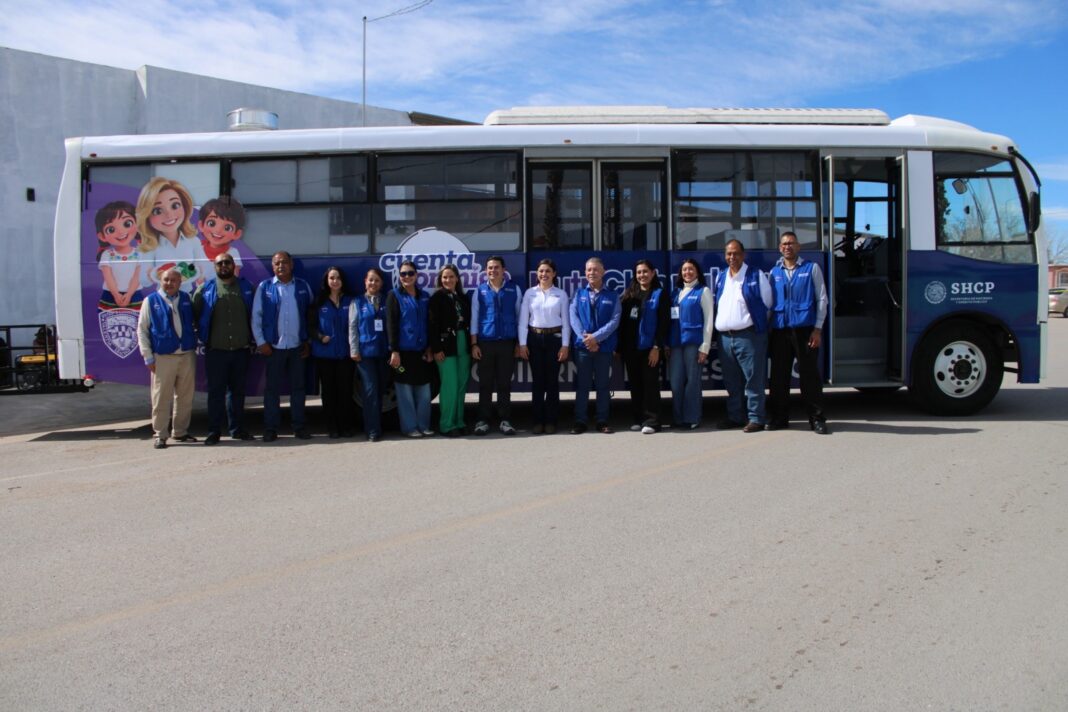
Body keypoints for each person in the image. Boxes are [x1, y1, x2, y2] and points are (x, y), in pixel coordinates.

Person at [766, 231, 830, 434]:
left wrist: (817, 330)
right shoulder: (774, 272)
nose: (788, 247)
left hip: (805, 331)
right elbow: (769, 304)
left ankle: (817, 419)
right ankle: (779, 418)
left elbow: (822, 299)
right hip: (780, 331)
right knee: (778, 378)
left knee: (809, 377)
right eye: (784, 244)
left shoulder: (811, 268)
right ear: (779, 248)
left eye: (791, 243)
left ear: (798, 246)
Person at [192, 252, 255, 445]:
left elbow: (256, 314)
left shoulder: (246, 287)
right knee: (216, 393)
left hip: (241, 350)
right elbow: (195, 316)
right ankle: (214, 431)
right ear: (215, 267)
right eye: (220, 263)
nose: (224, 266)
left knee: (237, 393)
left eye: (227, 262)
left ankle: (237, 429)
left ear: (234, 265)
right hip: (216, 351)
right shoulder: (205, 289)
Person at [252, 251, 314, 442]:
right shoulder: (265, 287)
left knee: (298, 389)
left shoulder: (303, 286)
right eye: (277, 263)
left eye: (284, 262)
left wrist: (308, 341)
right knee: (272, 390)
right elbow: (256, 317)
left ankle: (299, 427)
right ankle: (271, 428)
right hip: (274, 348)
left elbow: (311, 317)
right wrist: (261, 342)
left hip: (297, 347)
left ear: (291, 264)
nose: (281, 266)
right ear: (273, 267)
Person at [714, 239, 774, 433]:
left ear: (743, 254)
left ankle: (756, 418)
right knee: (732, 382)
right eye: (729, 254)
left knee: (753, 380)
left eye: (736, 253)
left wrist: (755, 329)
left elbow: (767, 305)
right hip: (725, 338)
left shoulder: (755, 275)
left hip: (749, 336)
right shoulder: (721, 277)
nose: (732, 257)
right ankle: (736, 417)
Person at [137, 268, 197, 449]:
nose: (169, 283)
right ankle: (160, 434)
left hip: (186, 355)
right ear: (160, 281)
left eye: (173, 280)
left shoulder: (186, 298)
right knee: (161, 398)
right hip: (163, 356)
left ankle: (180, 432)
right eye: (166, 280)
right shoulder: (151, 301)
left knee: (185, 397)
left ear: (180, 282)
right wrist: (148, 356)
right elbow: (142, 330)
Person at [470, 256, 523, 436]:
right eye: (490, 268)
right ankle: (483, 420)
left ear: (504, 270)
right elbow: (474, 318)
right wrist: (474, 344)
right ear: (486, 270)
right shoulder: (480, 291)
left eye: (496, 267)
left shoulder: (514, 289)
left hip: (507, 344)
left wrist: (519, 343)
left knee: (504, 384)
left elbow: (519, 318)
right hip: (485, 343)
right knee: (485, 384)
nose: (493, 270)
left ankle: (505, 420)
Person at [569, 257, 621, 434]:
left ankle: (602, 421)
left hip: (603, 348)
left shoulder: (612, 295)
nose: (592, 273)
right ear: (585, 273)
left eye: (596, 269)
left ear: (603, 272)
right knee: (582, 386)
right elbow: (573, 318)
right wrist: (586, 339)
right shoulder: (578, 294)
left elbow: (614, 321)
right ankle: (580, 421)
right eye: (589, 270)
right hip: (583, 348)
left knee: (602, 386)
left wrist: (596, 339)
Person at [517, 258, 570, 434]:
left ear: (554, 274)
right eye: (541, 271)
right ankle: (538, 421)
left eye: (547, 271)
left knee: (552, 382)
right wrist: (522, 344)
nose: (544, 274)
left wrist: (565, 345)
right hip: (534, 339)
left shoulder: (561, 294)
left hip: (555, 339)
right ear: (537, 274)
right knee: (538, 382)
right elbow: (523, 321)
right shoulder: (529, 293)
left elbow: (566, 323)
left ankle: (551, 421)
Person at [619, 259, 669, 434]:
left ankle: (653, 421)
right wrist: (620, 348)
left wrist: (656, 347)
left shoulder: (660, 294)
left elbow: (663, 323)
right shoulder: (629, 295)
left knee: (650, 385)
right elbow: (623, 324)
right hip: (631, 349)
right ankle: (639, 419)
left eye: (645, 271)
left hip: (650, 349)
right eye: (639, 272)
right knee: (636, 384)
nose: (642, 275)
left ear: (653, 273)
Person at [386, 260, 434, 438]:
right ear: (399, 276)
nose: (407, 276)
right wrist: (394, 350)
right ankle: (410, 427)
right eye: (403, 274)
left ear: (416, 275)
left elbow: (430, 323)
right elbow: (391, 324)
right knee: (404, 391)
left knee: (424, 391)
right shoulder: (394, 295)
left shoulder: (424, 296)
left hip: (421, 353)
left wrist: (430, 347)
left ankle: (423, 426)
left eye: (410, 273)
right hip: (402, 354)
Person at [135, 177, 207, 293]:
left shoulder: (193, 241)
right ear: (147, 216)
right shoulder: (150, 246)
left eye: (175, 205)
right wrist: (151, 274)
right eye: (158, 211)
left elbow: (203, 269)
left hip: (187, 296)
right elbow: (144, 281)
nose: (169, 215)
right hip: (162, 297)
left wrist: (199, 273)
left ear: (185, 206)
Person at [667, 258, 715, 430]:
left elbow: (709, 320)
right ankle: (678, 418)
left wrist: (705, 346)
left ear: (697, 272)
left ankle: (692, 417)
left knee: (693, 382)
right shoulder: (675, 293)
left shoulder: (703, 291)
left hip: (694, 343)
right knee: (675, 382)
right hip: (676, 343)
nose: (687, 272)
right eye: (684, 269)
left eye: (691, 269)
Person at [309, 266, 355, 439]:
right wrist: (320, 337)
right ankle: (332, 428)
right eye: (331, 278)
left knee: (345, 392)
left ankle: (346, 426)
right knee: (329, 393)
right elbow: (311, 327)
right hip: (325, 355)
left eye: (338, 278)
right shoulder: (319, 302)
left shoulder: (350, 301)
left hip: (345, 355)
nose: (335, 281)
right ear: (326, 281)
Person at [429, 264, 471, 437]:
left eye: (451, 276)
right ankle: (446, 424)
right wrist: (436, 349)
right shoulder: (436, 298)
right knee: (449, 386)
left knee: (461, 385)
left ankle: (459, 421)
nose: (448, 280)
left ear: (457, 279)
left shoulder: (463, 297)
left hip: (463, 343)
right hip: (446, 346)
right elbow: (432, 325)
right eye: (445, 277)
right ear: (440, 279)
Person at [349, 268, 389, 442]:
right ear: (365, 282)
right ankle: (372, 430)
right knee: (370, 390)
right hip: (365, 354)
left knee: (380, 390)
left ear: (381, 283)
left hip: (384, 352)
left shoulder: (387, 300)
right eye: (370, 280)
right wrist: (354, 350)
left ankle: (378, 426)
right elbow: (352, 326)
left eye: (377, 280)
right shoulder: (357, 302)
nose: (373, 283)